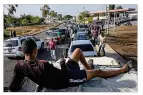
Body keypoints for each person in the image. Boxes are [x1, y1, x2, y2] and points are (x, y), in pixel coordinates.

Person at [8, 38, 133, 92]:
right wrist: (62, 61)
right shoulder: (43, 66)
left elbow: (14, 84)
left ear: (23, 51)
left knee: (77, 51)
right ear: (35, 51)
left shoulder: (19, 65)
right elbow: (64, 74)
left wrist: (10, 90)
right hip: (66, 78)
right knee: (98, 72)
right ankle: (122, 70)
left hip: (61, 71)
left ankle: (88, 69)